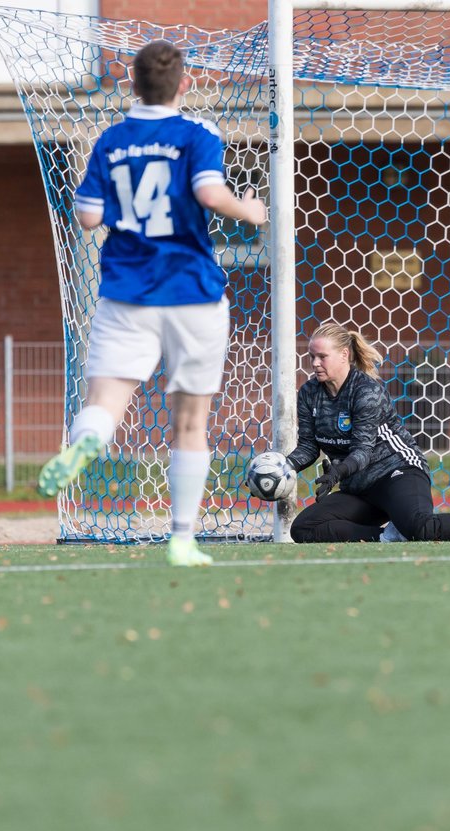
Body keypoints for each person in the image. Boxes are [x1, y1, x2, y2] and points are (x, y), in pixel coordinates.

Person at [36, 40, 267, 567]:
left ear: (133, 85)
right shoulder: (198, 133)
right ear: (183, 85)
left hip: (126, 291)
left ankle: (86, 441)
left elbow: (89, 218)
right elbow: (210, 193)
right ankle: (182, 539)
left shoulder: (111, 140)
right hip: (192, 292)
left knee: (105, 402)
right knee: (189, 422)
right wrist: (249, 210)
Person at [284, 322, 450, 544]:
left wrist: (337, 471)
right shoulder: (309, 393)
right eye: (311, 356)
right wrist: (282, 468)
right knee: (303, 528)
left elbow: (363, 451)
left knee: (419, 526)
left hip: (398, 471)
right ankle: (384, 536)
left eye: (322, 356)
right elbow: (308, 447)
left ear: (344, 355)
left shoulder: (366, 391)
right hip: (360, 487)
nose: (315, 363)